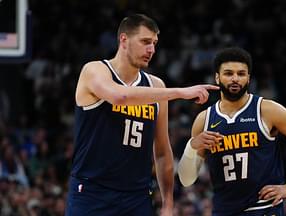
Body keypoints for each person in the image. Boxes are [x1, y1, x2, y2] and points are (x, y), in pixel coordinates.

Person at [65, 13, 218, 216]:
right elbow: (120, 97)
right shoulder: (94, 70)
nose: (151, 49)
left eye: (154, 43)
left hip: (136, 197)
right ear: (124, 40)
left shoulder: (156, 86)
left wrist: (168, 204)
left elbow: (162, 152)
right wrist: (180, 92)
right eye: (145, 42)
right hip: (92, 193)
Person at [177, 47, 286, 216]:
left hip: (264, 209)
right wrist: (192, 145)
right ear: (217, 77)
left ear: (248, 78)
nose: (235, 79)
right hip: (224, 210)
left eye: (241, 74)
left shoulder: (267, 110)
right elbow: (186, 179)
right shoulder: (204, 120)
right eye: (228, 73)